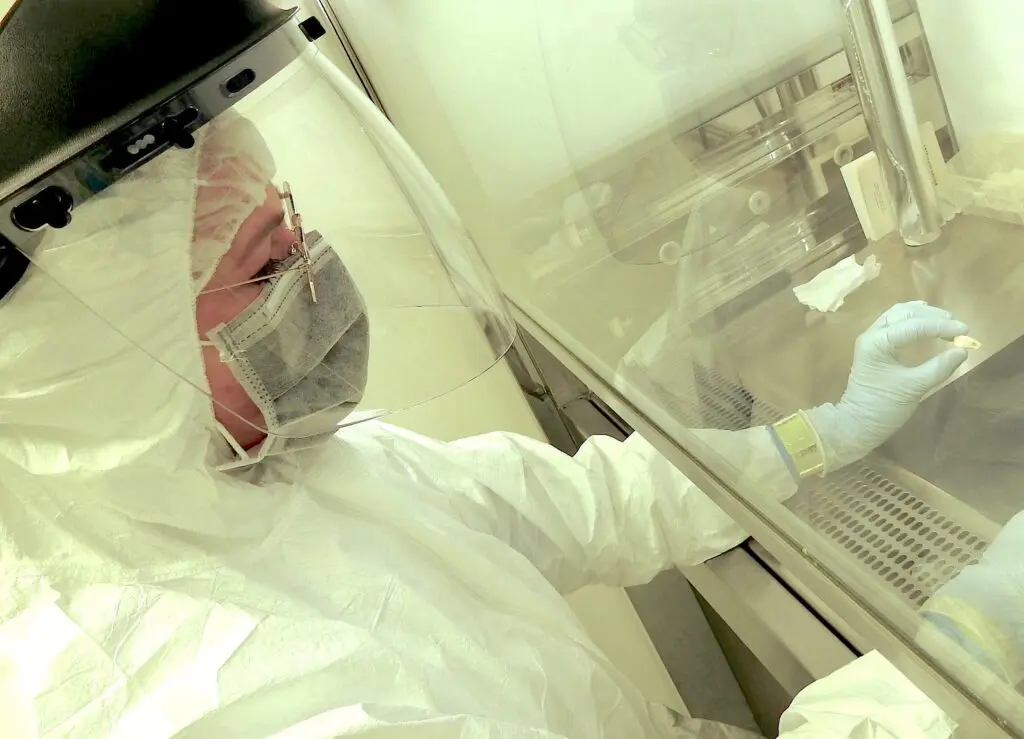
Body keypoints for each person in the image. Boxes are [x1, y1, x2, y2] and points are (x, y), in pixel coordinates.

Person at [0, 1, 962, 736]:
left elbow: (582, 507)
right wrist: (932, 682)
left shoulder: (285, 474)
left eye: (297, 229)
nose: (316, 278)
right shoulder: (199, 694)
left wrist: (814, 436)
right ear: (112, 370)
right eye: (264, 266)